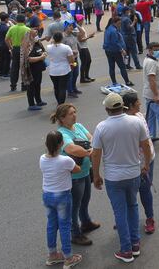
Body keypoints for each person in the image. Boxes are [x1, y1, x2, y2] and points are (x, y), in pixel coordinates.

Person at [90, 93, 153, 263]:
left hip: (114, 177)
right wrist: (146, 164)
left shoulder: (101, 127)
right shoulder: (136, 122)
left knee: (120, 212)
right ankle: (135, 244)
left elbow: (95, 154)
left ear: (107, 109)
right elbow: (146, 144)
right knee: (132, 206)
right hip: (134, 174)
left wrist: (96, 176)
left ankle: (126, 250)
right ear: (123, 106)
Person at [51, 104, 99, 247]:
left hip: (85, 170)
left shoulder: (78, 126)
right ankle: (75, 234)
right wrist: (89, 151)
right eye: (71, 113)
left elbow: (92, 138)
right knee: (74, 206)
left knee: (85, 200)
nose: (74, 115)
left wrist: (87, 148)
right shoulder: (62, 133)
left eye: (75, 112)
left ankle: (86, 222)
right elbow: (72, 149)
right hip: (74, 177)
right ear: (62, 118)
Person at [40, 130, 83, 268]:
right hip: (62, 196)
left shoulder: (42, 158)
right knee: (65, 226)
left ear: (46, 144)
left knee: (51, 225)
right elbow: (77, 169)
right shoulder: (65, 160)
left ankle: (52, 255)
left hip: (47, 195)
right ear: (61, 143)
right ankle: (68, 257)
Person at [122, 93, 157, 236]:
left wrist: (146, 164)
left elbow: (146, 145)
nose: (140, 104)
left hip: (143, 161)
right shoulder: (126, 120)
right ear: (130, 106)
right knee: (128, 193)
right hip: (132, 162)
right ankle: (125, 219)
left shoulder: (137, 118)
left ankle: (150, 218)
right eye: (137, 102)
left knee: (144, 190)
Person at [22, 28, 48, 110]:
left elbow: (44, 51)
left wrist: (44, 54)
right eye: (34, 34)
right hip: (31, 69)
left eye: (36, 34)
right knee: (31, 87)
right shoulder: (27, 45)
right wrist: (40, 57)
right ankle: (31, 104)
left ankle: (38, 101)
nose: (36, 35)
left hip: (38, 69)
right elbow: (28, 59)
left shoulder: (37, 43)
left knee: (37, 85)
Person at [47, 31, 76, 105]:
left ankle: (59, 103)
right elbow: (71, 60)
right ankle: (61, 104)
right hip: (64, 70)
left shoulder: (49, 47)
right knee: (62, 88)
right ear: (61, 38)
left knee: (56, 88)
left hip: (53, 71)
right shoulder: (66, 48)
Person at [103, 16, 133, 86]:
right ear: (115, 23)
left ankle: (114, 82)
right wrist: (122, 50)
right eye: (119, 23)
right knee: (122, 66)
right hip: (115, 51)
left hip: (108, 50)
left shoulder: (108, 29)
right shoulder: (113, 31)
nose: (120, 25)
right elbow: (115, 42)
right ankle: (127, 81)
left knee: (111, 67)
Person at [5, 14, 29, 91]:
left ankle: (13, 85)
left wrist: (11, 48)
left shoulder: (12, 28)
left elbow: (6, 39)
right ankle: (24, 85)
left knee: (14, 68)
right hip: (24, 49)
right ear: (24, 20)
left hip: (15, 49)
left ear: (16, 20)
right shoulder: (27, 29)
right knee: (24, 68)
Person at [63, 22, 82, 98]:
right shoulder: (63, 37)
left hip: (75, 58)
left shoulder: (73, 34)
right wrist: (72, 51)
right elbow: (62, 48)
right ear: (65, 27)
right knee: (70, 75)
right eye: (70, 26)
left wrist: (76, 25)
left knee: (76, 73)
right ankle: (70, 91)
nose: (71, 27)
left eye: (72, 26)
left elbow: (82, 32)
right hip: (69, 60)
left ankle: (74, 88)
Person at [75, 15, 95, 83]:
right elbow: (80, 40)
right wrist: (89, 37)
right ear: (78, 20)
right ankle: (82, 78)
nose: (83, 21)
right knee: (84, 63)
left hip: (85, 46)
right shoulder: (77, 28)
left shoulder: (81, 27)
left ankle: (86, 76)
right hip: (82, 48)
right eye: (82, 20)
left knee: (89, 61)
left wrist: (88, 36)